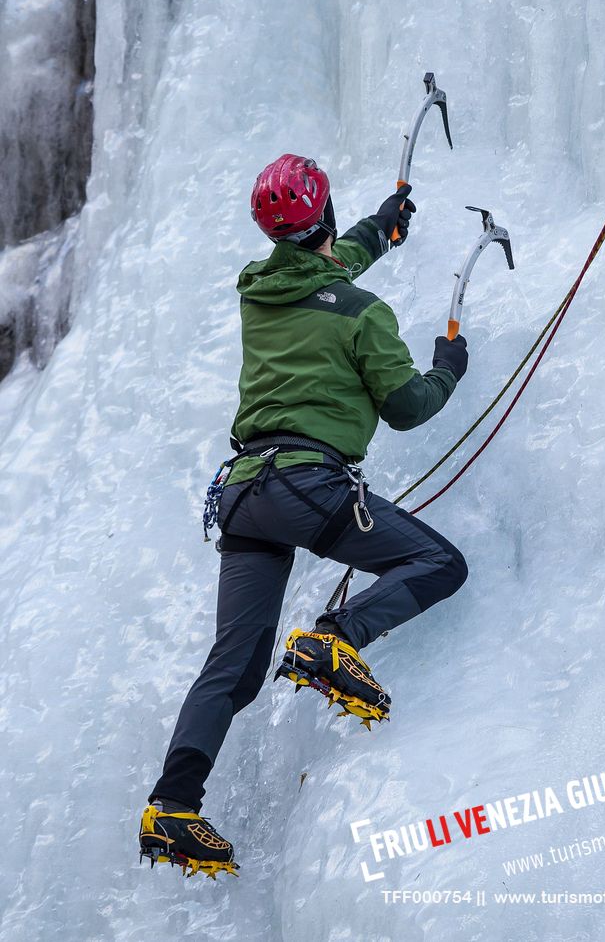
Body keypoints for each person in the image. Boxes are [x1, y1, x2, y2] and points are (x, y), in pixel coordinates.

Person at [139, 154, 469, 878]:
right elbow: (409, 407)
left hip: (243, 496)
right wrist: (448, 366)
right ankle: (336, 640)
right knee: (439, 562)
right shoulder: (361, 313)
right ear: (323, 214)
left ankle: (173, 808)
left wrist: (379, 233)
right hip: (307, 487)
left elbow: (320, 264)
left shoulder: (259, 293)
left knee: (235, 663)